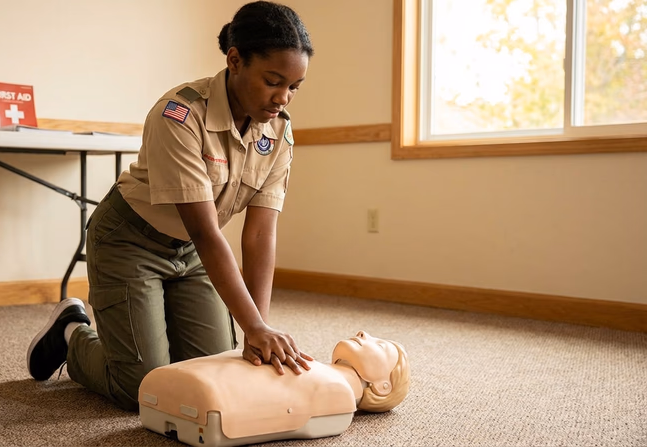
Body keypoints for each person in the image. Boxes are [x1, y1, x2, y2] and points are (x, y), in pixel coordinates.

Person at [26, 0, 314, 411]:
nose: (283, 98)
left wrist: (258, 327)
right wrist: (251, 324)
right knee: (142, 388)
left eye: (294, 87)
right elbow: (206, 230)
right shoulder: (178, 115)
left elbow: (260, 233)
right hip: (129, 241)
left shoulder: (278, 136)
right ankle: (72, 332)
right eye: (273, 81)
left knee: (209, 372)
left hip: (192, 254)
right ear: (235, 60)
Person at [138, 331, 410, 445]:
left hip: (196, 394)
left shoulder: (336, 391)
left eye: (380, 345)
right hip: (196, 389)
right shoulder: (317, 369)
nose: (364, 333)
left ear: (382, 387)